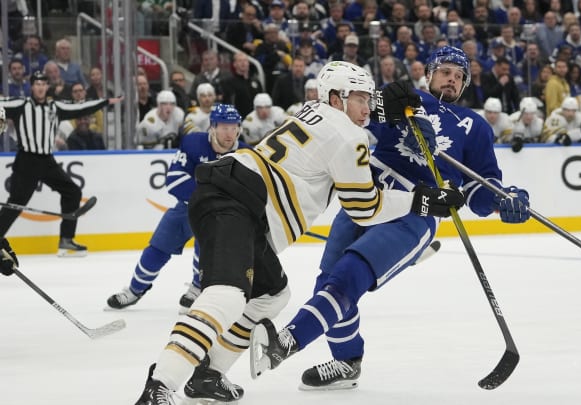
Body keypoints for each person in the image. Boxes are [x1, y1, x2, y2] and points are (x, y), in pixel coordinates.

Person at [134, 61, 463, 404]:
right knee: (228, 295)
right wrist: (422, 200)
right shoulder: (350, 137)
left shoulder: (312, 109)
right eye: (361, 99)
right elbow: (365, 207)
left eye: (370, 99)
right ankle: (160, 385)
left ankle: (208, 375)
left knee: (272, 295)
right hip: (239, 203)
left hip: (234, 195)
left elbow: (351, 110)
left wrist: (388, 107)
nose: (367, 108)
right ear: (337, 98)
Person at [249, 46, 532, 391]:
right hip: (367, 198)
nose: (452, 80)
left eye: (459, 77)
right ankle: (347, 361)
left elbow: (479, 190)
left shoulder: (474, 127)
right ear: (428, 74)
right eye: (445, 72)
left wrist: (507, 201)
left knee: (347, 275)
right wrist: (398, 112)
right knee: (327, 282)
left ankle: (286, 342)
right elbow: (363, 113)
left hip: (416, 211)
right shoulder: (403, 97)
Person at [107, 104, 243, 313]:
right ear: (213, 127)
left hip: (220, 216)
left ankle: (198, 288)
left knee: (205, 246)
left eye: (234, 127)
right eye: (224, 127)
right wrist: (211, 196)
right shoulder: (193, 143)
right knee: (157, 248)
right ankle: (135, 290)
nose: (229, 133)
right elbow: (173, 181)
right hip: (187, 209)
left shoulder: (245, 155)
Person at [0, 72, 122, 257]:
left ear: (47, 87)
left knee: (72, 192)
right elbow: (2, 105)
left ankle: (66, 240)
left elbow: (81, 108)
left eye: (43, 83)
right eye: (37, 83)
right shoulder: (21, 105)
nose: (40, 87)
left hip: (46, 160)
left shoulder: (54, 107)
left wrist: (105, 102)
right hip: (27, 161)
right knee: (15, 204)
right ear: (31, 87)